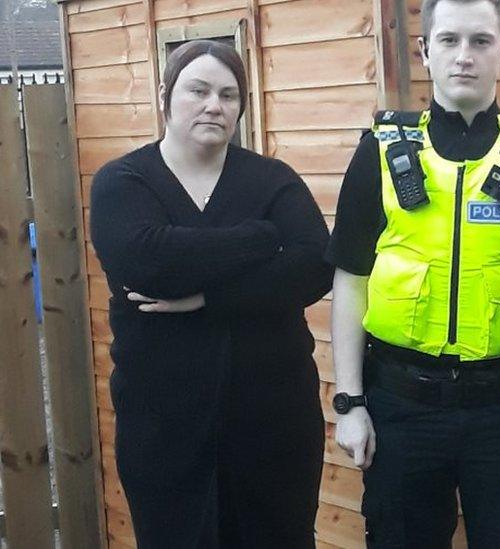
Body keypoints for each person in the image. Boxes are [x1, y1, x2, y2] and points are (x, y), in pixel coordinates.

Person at [327, 0, 500, 546]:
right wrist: (351, 404)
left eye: (480, 41)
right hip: (401, 410)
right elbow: (350, 282)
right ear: (425, 52)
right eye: (448, 41)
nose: (464, 57)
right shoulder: (381, 150)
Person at [90, 40, 333, 548]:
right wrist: (262, 239)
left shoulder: (272, 180)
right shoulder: (124, 181)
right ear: (166, 94)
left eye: (228, 94)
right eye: (197, 90)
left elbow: (314, 266)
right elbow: (150, 261)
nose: (213, 105)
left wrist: (208, 299)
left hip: (273, 425)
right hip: (165, 429)